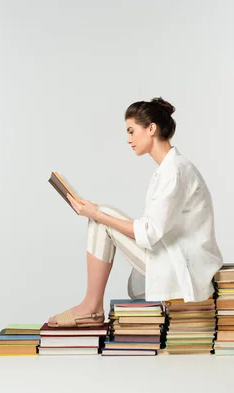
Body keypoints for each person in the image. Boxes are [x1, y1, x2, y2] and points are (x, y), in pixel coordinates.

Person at [47, 97, 223, 327]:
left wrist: (97, 214)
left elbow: (149, 233)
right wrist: (97, 213)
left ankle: (91, 306)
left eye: (131, 131)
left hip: (184, 264)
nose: (128, 139)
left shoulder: (175, 170)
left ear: (151, 128)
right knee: (100, 215)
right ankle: (91, 305)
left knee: (101, 217)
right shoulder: (169, 169)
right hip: (172, 254)